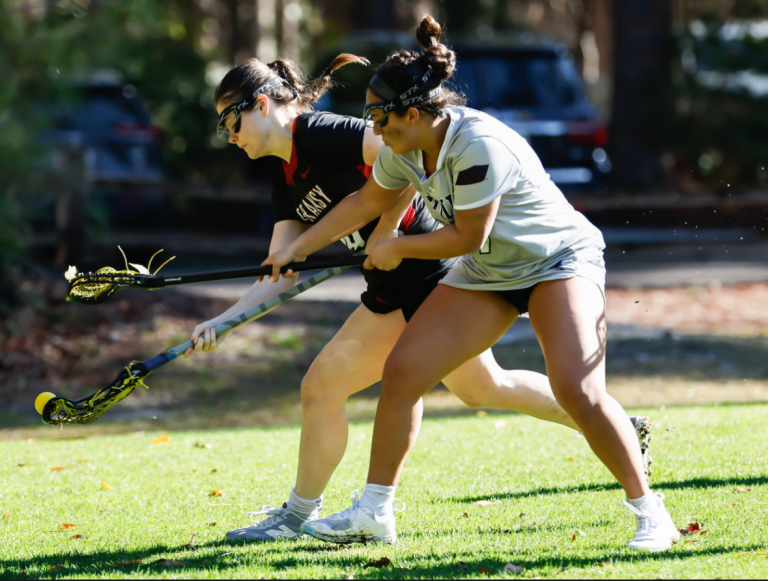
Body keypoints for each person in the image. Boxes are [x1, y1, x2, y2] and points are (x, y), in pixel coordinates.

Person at [192, 51, 653, 546]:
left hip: (433, 271)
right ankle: (615, 424)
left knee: (328, 386)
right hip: (392, 283)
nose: (229, 136)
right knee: (479, 388)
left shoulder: (322, 132)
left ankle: (299, 516)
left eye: (228, 120)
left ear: (260, 104)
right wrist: (226, 320)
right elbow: (280, 268)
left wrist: (387, 233)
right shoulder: (285, 179)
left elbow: (402, 154)